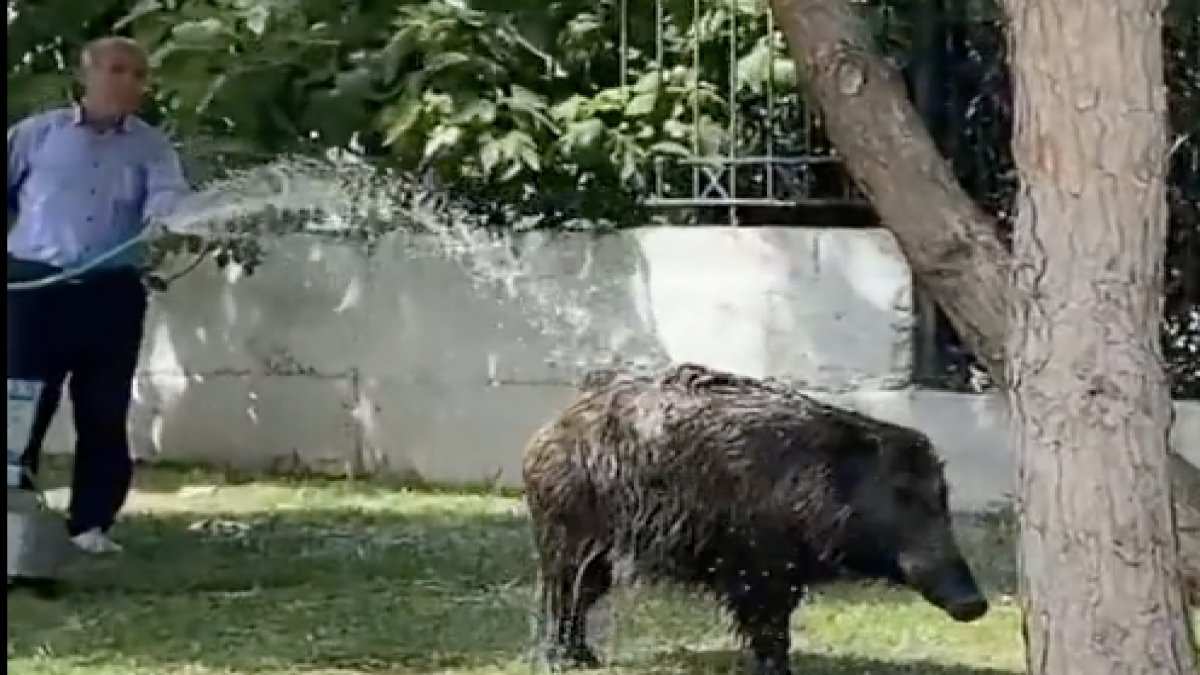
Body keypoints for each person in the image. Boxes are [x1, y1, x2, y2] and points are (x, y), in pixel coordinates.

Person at [7, 36, 190, 554]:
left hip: (110, 295)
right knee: (19, 410)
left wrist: (165, 222)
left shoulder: (151, 147)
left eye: (137, 74)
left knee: (104, 411)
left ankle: (90, 525)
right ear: (86, 76)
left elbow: (167, 198)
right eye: (117, 70)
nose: (128, 82)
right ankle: (11, 516)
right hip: (35, 291)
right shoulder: (34, 136)